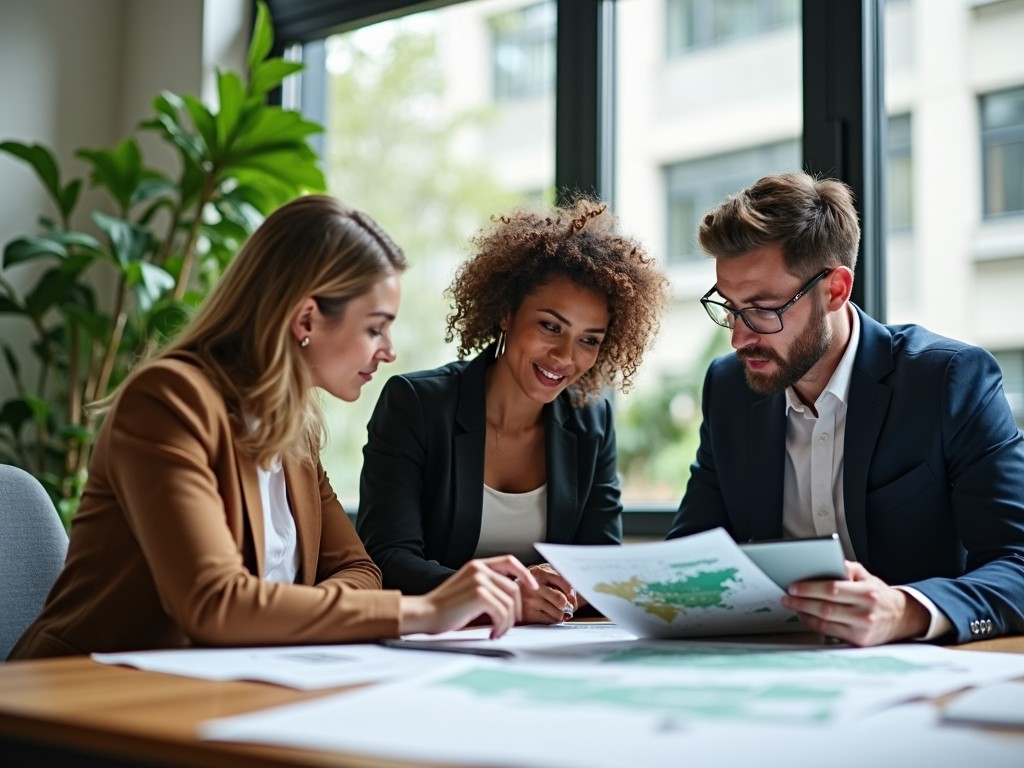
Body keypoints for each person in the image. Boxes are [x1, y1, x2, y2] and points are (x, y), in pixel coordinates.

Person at [9, 195, 538, 660]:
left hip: (230, 685)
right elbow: (214, 603)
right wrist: (422, 610)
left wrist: (285, 613)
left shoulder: (294, 426)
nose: (389, 351)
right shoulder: (170, 401)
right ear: (306, 320)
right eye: (375, 327)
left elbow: (358, 569)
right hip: (86, 697)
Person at [668, 170, 1024, 647]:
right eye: (729, 307)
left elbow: (1016, 561)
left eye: (763, 309)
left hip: (920, 676)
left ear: (835, 289)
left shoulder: (947, 381)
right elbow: (690, 558)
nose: (738, 336)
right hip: (772, 669)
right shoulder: (730, 388)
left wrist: (905, 610)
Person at [357, 198, 668, 624]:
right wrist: (507, 596)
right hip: (434, 642)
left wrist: (570, 591)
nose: (565, 356)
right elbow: (387, 558)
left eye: (589, 340)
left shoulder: (591, 421)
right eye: (550, 326)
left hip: (545, 649)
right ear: (506, 313)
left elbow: (601, 565)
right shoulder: (416, 404)